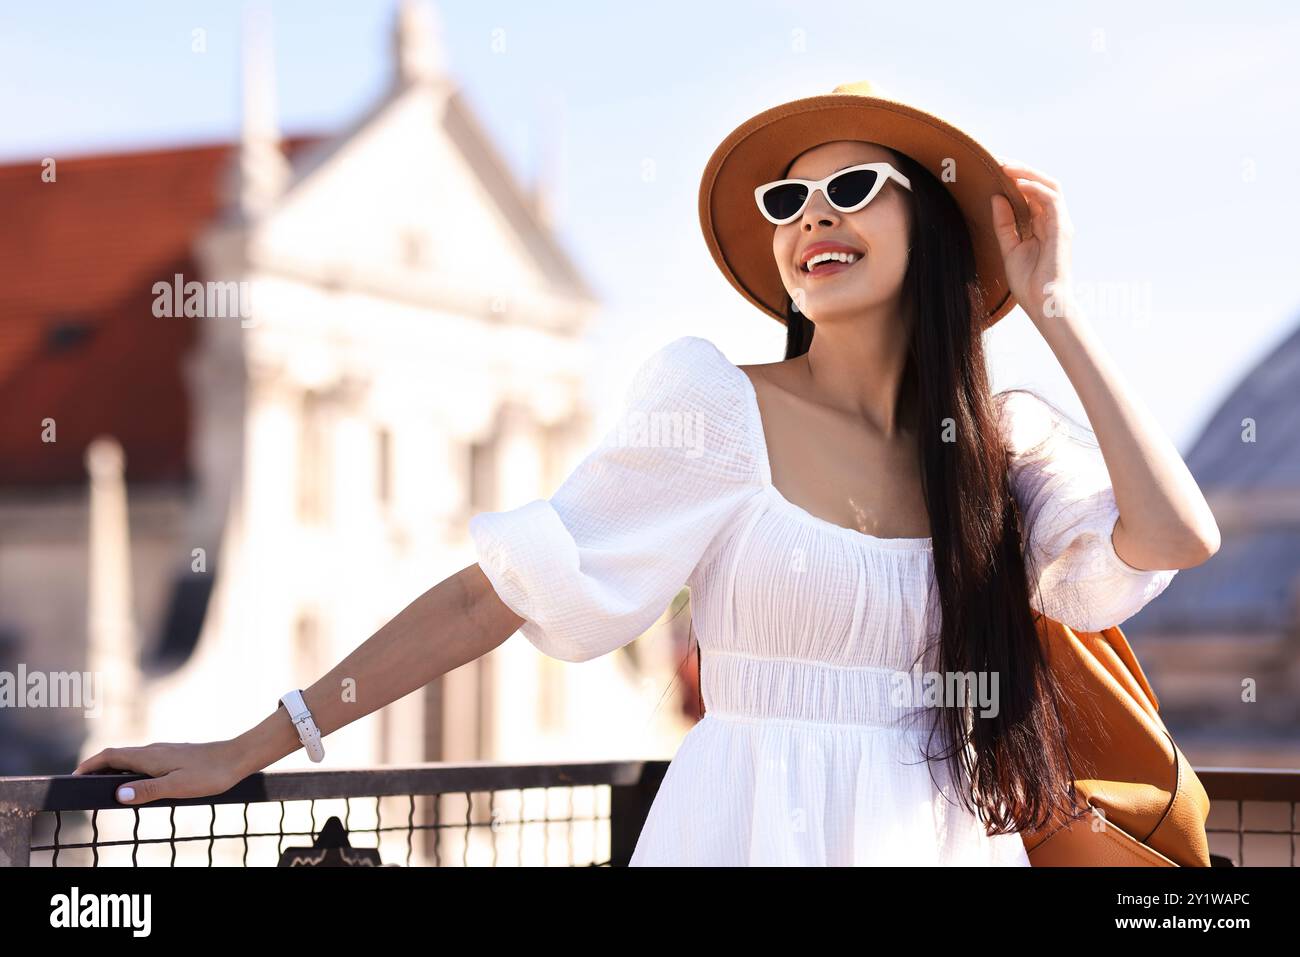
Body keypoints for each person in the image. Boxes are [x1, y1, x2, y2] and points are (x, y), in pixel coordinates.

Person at [74, 81, 1220, 866]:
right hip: (739, 829)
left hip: (935, 838)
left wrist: (1055, 307)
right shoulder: (712, 406)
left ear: (930, 225)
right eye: (785, 202)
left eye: (849, 189)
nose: (809, 216)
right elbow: (496, 593)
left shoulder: (1000, 444)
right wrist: (249, 745)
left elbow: (1175, 538)